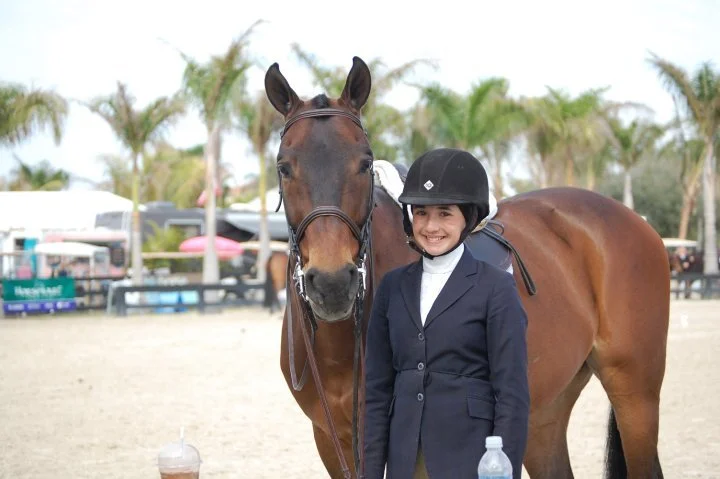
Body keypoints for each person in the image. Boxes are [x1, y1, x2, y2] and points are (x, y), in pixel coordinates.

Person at [364, 148, 530, 479]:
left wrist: (503, 471)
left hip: (470, 460)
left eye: (444, 213)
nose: (431, 226)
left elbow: (511, 395)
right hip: (405, 461)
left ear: (467, 218)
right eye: (421, 213)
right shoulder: (392, 287)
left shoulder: (496, 288)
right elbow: (377, 392)